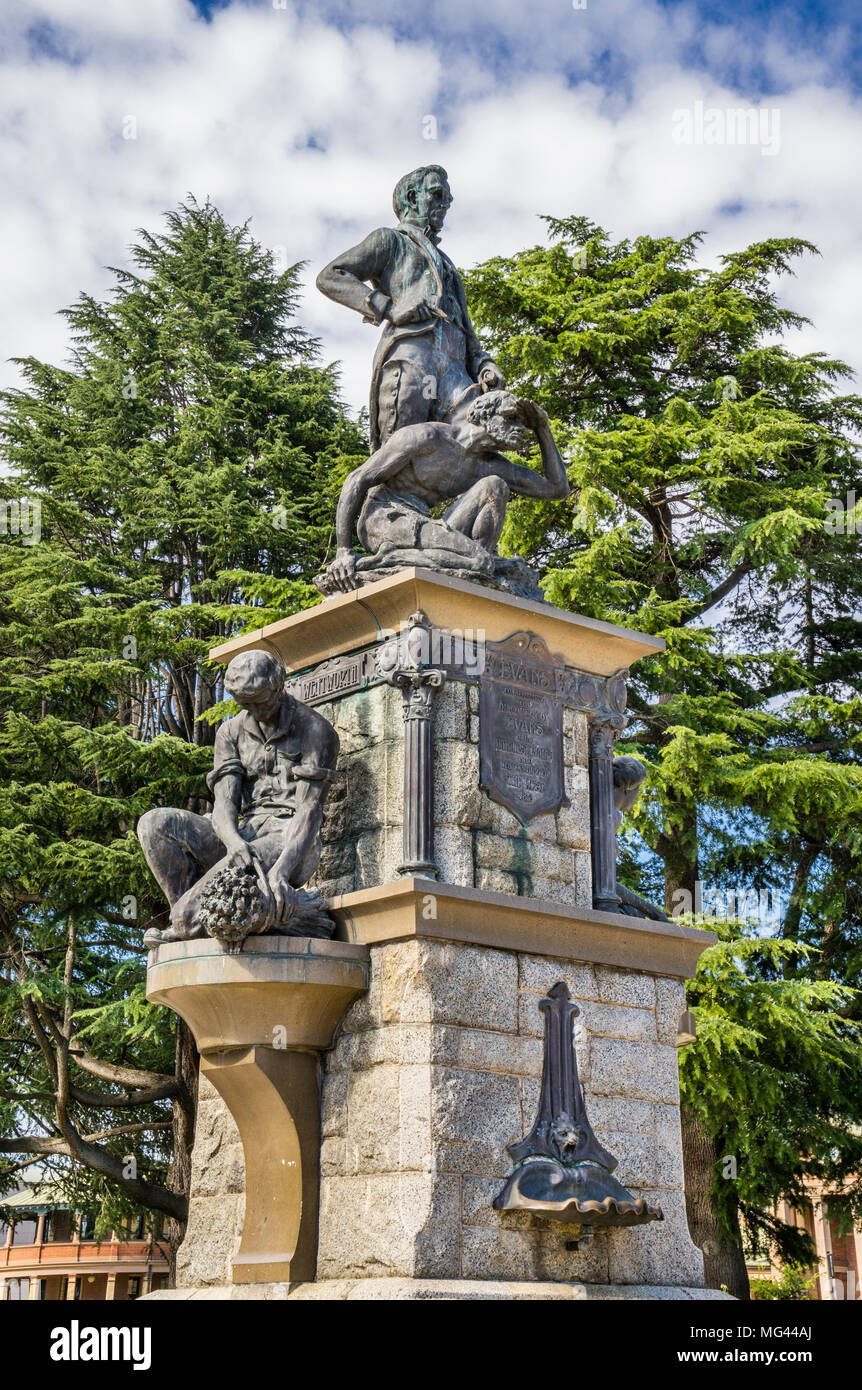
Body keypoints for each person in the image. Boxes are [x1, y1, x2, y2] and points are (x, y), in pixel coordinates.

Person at [137, 650, 338, 946]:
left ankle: (190, 923)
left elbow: (308, 811)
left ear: (279, 687)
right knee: (153, 823)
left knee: (185, 918)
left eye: (261, 702)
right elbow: (224, 803)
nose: (255, 711)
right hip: (245, 834)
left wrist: (281, 873)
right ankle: (190, 919)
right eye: (245, 704)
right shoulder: (230, 732)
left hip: (290, 841)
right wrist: (232, 842)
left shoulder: (315, 730)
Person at [316, 165, 505, 450]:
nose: (445, 204)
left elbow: (468, 330)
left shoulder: (448, 266)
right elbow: (331, 276)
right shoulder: (389, 240)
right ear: (413, 198)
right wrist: (389, 307)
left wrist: (483, 363)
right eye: (438, 194)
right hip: (412, 356)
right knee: (398, 460)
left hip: (456, 371)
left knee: (479, 448)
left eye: (448, 200)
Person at [318, 388, 570, 595]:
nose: (520, 429)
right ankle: (388, 560)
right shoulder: (427, 437)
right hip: (386, 517)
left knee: (495, 486)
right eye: (511, 418)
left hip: (427, 523)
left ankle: (474, 570)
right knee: (482, 561)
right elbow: (357, 479)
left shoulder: (491, 465)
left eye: (525, 424)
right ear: (485, 415)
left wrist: (542, 428)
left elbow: (556, 489)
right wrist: (343, 552)